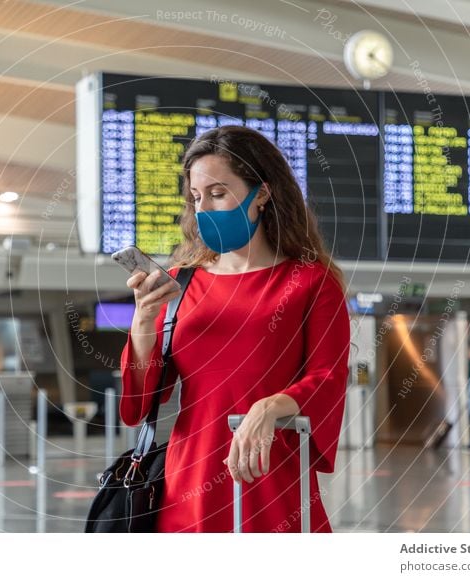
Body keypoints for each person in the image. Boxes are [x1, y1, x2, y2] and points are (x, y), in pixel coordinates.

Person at [119, 125, 350, 533]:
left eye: (219, 193)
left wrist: (271, 405)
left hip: (272, 478)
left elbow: (328, 377)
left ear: (261, 193)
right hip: (188, 486)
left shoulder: (310, 282)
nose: (204, 207)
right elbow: (141, 402)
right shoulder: (180, 282)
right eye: (196, 197)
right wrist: (141, 322)